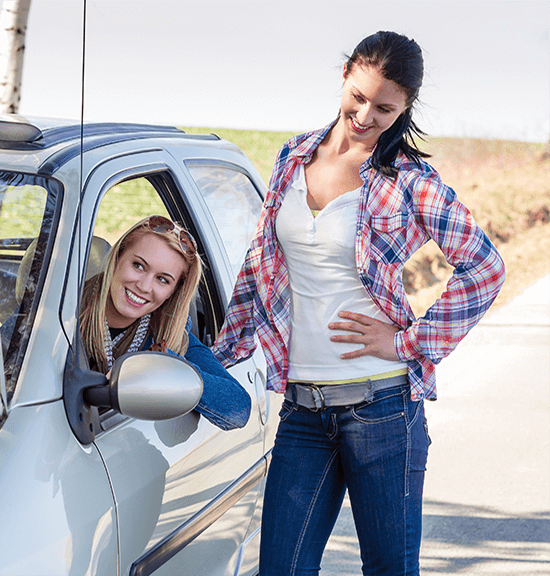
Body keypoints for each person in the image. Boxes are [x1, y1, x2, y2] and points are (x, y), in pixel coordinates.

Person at [211, 31, 506, 574]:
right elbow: (259, 265)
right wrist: (215, 355)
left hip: (383, 409)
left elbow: (484, 267)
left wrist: (408, 340)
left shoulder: (410, 180)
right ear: (345, 75)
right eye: (359, 97)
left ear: (406, 107)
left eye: (385, 107)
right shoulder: (294, 155)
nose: (366, 115)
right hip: (303, 409)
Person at [79, 215, 251, 431]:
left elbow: (238, 410)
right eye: (138, 266)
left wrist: (164, 364)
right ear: (117, 258)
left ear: (173, 292)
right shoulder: (64, 308)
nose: (143, 286)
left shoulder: (167, 336)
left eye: (162, 279)